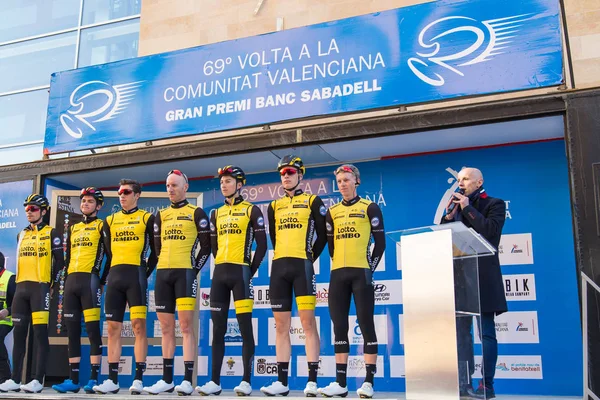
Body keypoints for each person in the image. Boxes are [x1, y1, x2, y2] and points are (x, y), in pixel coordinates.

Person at [196, 165, 267, 396]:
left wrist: (249, 270)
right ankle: (214, 382)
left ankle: (246, 381)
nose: (224, 185)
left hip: (241, 273)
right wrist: (223, 263)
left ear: (240, 184)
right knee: (218, 328)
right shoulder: (215, 213)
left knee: (245, 328)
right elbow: (214, 247)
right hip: (220, 275)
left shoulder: (252, 210)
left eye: (228, 181)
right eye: (222, 182)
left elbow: (262, 246)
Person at [261, 156, 327, 397]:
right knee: (281, 326)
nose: (286, 176)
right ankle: (282, 382)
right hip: (279, 267)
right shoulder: (274, 206)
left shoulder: (312, 201)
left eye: (290, 172)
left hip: (302, 266)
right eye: (282, 173)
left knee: (308, 323)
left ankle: (312, 380)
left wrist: (309, 258)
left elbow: (322, 236)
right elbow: (274, 239)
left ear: (300, 175)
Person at [318, 165, 385, 399]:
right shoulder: (332, 211)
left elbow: (380, 244)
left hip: (361, 273)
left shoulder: (370, 207)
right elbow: (332, 247)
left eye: (347, 180)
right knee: (339, 327)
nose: (343, 184)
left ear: (356, 181)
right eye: (339, 181)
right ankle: (341, 382)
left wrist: (369, 269)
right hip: (338, 275)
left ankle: (368, 381)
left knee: (366, 324)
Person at [143, 170, 211, 395]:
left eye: (174, 185)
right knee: (165, 327)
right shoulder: (160, 215)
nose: (170, 189)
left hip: (184, 274)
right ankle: (167, 378)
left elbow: (206, 246)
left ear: (185, 187)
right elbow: (157, 247)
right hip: (163, 274)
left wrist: (193, 269)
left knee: (185, 327)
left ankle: (187, 380)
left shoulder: (196, 212)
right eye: (167, 185)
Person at [441, 167, 506, 400]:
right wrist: (447, 217)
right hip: (459, 279)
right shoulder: (455, 208)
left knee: (486, 334)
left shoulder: (495, 204)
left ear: (479, 182)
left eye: (466, 179)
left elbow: (490, 232)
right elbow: (441, 238)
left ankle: (486, 386)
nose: (461, 183)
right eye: (458, 179)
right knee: (462, 334)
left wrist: (467, 208)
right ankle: (463, 383)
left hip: (484, 278)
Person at [93, 179, 157, 394]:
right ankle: (112, 379)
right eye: (119, 192)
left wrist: (144, 273)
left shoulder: (147, 218)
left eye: (126, 192)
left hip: (136, 276)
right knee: (112, 329)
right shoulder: (109, 220)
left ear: (137, 195)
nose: (122, 195)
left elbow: (156, 253)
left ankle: (138, 378)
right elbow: (109, 254)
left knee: (138, 326)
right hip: (115, 277)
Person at [0, 194, 64, 393]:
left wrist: (51, 284)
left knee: (39, 334)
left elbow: (60, 263)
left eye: (34, 208)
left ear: (43, 211)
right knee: (19, 335)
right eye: (27, 208)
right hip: (21, 288)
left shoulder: (52, 232)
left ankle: (37, 379)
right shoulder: (22, 234)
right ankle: (15, 379)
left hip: (40, 287)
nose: (29, 211)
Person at [51, 187, 109, 394]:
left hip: (90, 282)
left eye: (90, 201)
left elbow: (109, 256)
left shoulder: (102, 225)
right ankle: (73, 379)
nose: (85, 203)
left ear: (99, 206)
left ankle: (93, 378)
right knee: (72, 332)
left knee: (93, 331)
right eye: (83, 200)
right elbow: (66, 258)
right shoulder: (74, 228)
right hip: (71, 282)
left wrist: (101, 279)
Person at [0, 251, 16, 384]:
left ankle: (5, 377)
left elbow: (19, 304)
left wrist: (7, 311)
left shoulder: (10, 278)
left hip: (6, 320)